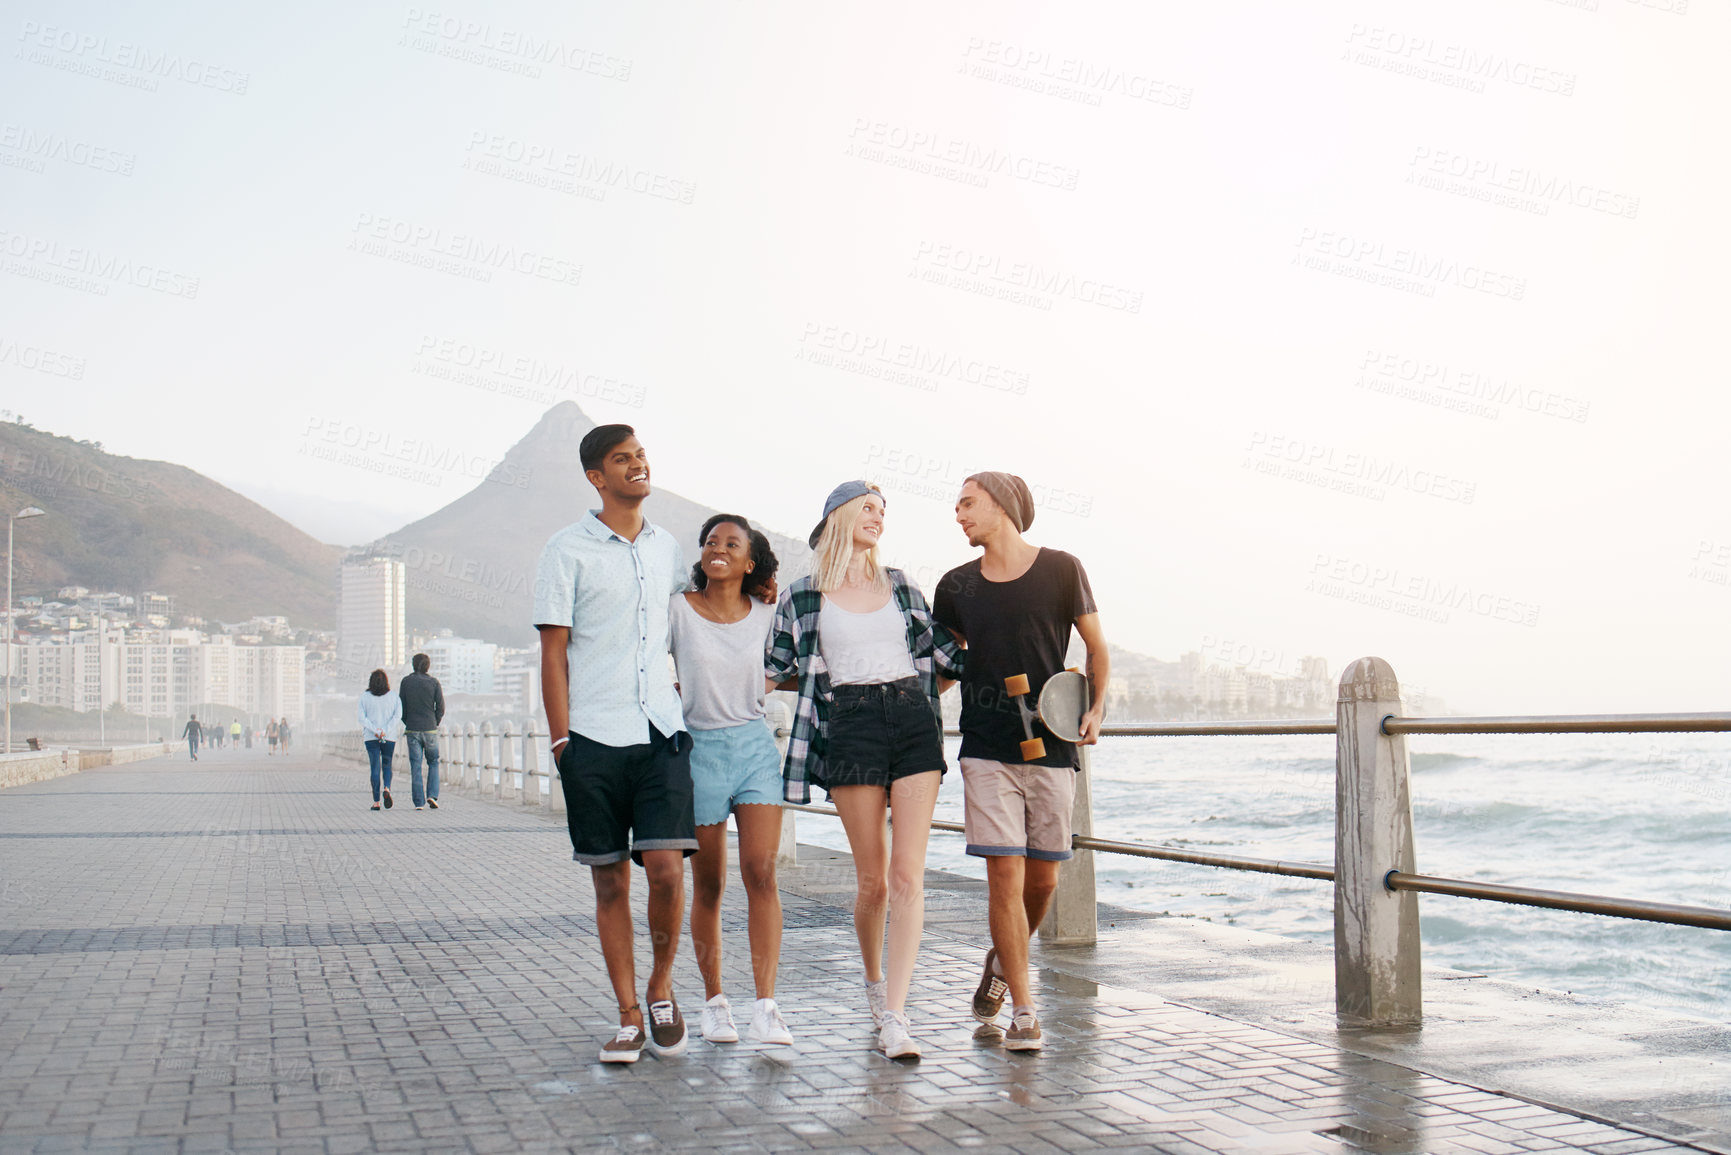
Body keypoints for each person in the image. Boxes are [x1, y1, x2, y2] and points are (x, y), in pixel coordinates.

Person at [765, 481, 963, 1060]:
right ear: (838, 516)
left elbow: (947, 657)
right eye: (868, 508)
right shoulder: (803, 596)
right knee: (873, 881)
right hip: (848, 724)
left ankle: (897, 1017)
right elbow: (771, 669)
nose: (878, 517)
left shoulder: (901, 585)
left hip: (913, 720)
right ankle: (875, 986)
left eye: (884, 511)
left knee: (907, 878)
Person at [534, 423, 696, 1065]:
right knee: (608, 885)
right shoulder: (565, 549)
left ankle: (660, 985)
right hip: (593, 736)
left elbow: (698, 613)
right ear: (596, 478)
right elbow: (553, 653)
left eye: (641, 456)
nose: (637, 466)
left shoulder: (667, 549)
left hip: (662, 730)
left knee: (664, 869)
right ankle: (628, 1012)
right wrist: (560, 740)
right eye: (621, 460)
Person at [931, 473, 1109, 1053]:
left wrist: (1096, 711)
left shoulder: (1062, 569)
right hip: (985, 745)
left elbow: (1096, 647)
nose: (958, 515)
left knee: (1043, 878)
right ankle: (1025, 1011)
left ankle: (1002, 962)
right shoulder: (955, 586)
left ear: (1002, 506)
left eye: (967, 503)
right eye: (957, 506)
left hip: (1051, 743)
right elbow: (940, 661)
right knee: (1003, 874)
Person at [669, 514, 791, 1047]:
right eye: (711, 541)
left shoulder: (766, 616)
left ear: (749, 562)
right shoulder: (678, 609)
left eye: (732, 543)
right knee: (711, 884)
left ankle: (766, 1005)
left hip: (754, 747)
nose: (718, 548)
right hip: (699, 752)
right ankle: (715, 1002)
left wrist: (755, 685)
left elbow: (792, 662)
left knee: (761, 871)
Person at [399, 653, 446, 811]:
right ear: (428, 666)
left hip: (412, 728)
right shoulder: (434, 682)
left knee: (416, 765)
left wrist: (408, 721)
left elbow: (402, 708)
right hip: (430, 728)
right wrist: (435, 722)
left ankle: (419, 802)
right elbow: (440, 708)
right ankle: (432, 796)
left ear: (413, 665)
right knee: (433, 762)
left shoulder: (406, 682)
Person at [359, 671, 401, 811]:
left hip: (371, 738)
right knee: (387, 765)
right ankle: (387, 788)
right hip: (388, 737)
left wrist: (375, 731)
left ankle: (376, 802)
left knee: (375, 768)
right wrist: (385, 730)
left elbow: (362, 718)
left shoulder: (365, 697)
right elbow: (398, 716)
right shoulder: (394, 696)